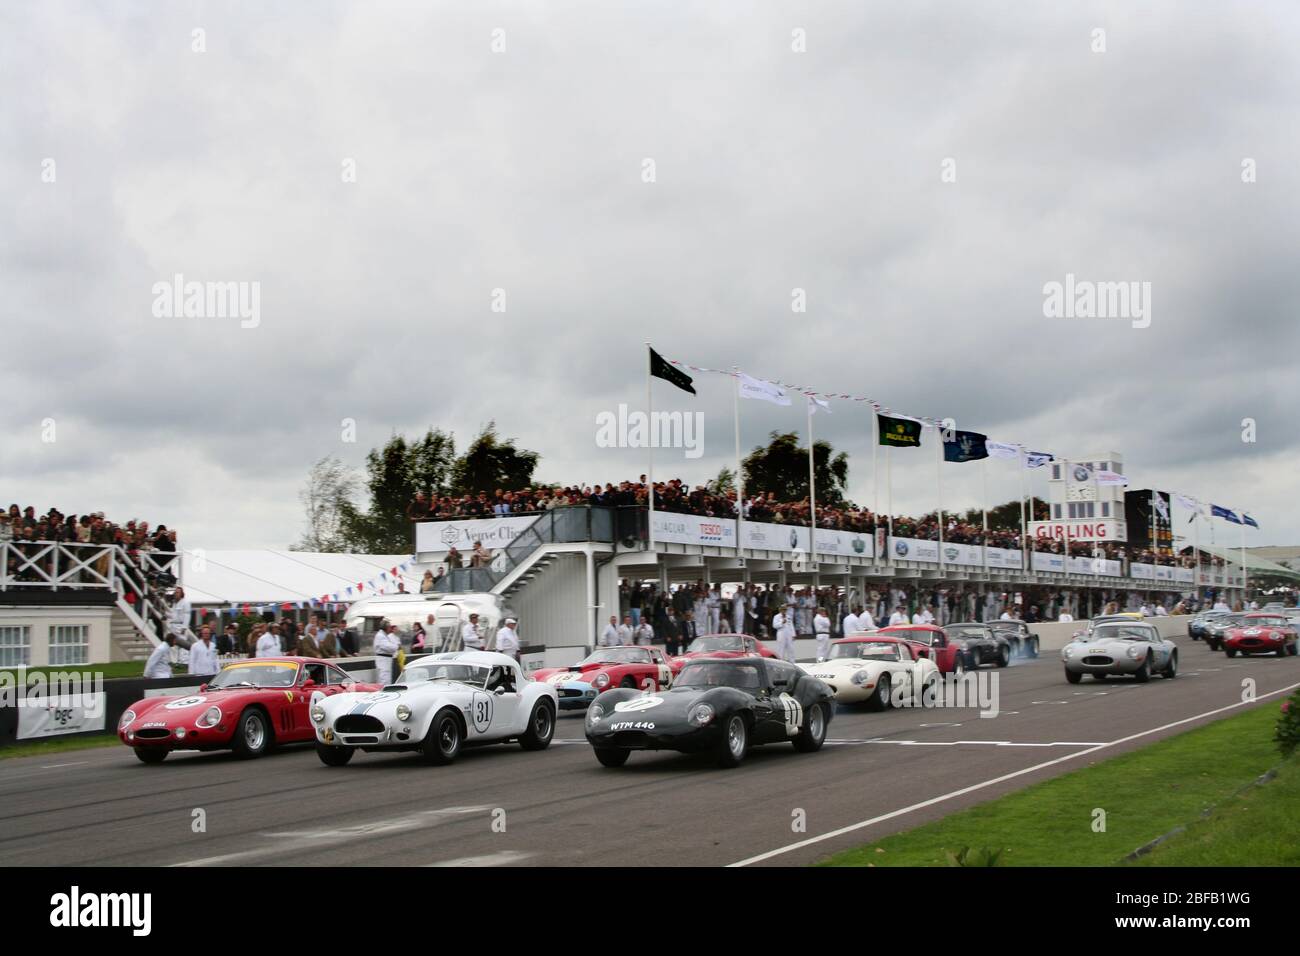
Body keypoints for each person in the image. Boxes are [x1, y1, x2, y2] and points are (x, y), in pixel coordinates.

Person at [372, 620, 400, 684]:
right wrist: (396, 646)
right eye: (389, 627)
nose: (390, 629)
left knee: (385, 678)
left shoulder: (384, 635)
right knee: (384, 679)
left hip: (385, 659)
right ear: (386, 628)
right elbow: (389, 647)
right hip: (383, 660)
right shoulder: (381, 636)